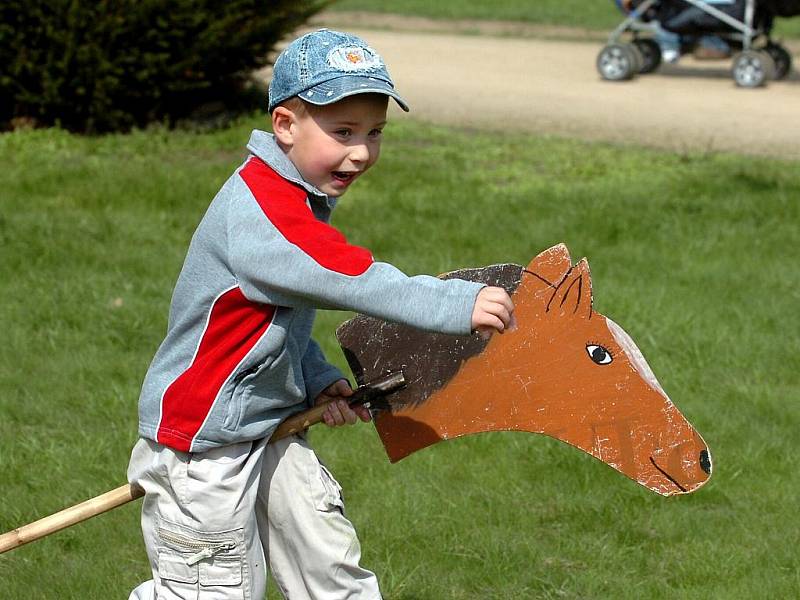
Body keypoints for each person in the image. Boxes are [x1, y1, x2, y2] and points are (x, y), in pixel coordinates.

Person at [127, 29, 515, 600]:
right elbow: (345, 274)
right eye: (343, 132)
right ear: (285, 125)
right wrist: (452, 302)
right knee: (212, 590)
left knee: (328, 567)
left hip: (268, 424)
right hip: (204, 443)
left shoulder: (296, 198)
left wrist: (314, 379)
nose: (361, 151)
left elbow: (273, 322)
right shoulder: (261, 207)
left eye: (374, 132)